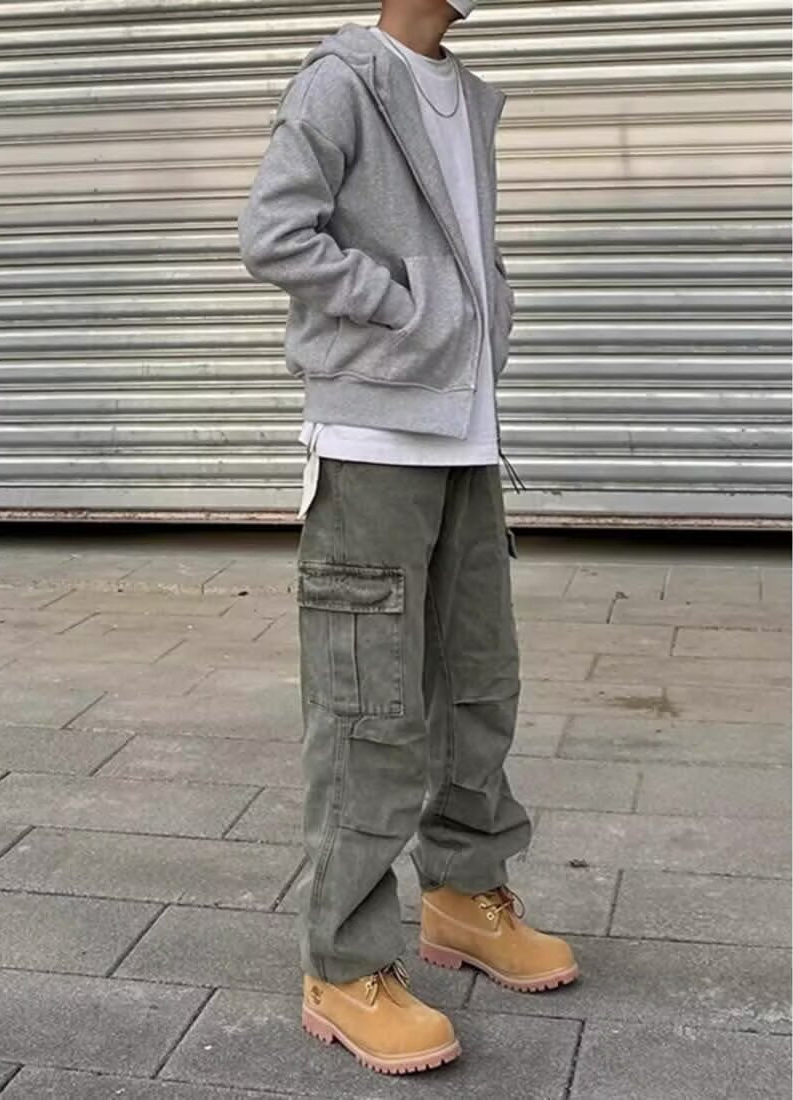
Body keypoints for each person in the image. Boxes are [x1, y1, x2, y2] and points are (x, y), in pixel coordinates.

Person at [237, 0, 578, 1076]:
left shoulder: (463, 95)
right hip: (373, 438)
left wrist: (484, 314)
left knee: (479, 682)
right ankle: (344, 965)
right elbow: (273, 232)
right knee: (369, 710)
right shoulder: (342, 79)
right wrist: (403, 308)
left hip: (464, 436)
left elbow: (468, 256)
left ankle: (464, 895)